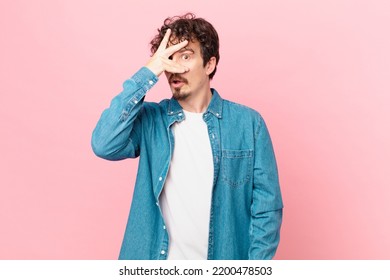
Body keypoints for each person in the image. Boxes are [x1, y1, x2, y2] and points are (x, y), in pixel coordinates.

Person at [91, 13, 283, 260]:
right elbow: (103, 143)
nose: (175, 68)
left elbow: (267, 211)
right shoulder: (152, 120)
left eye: (185, 56)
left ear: (209, 64)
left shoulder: (248, 124)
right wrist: (150, 70)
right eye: (169, 58)